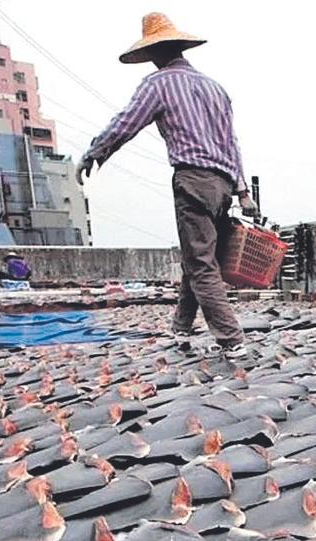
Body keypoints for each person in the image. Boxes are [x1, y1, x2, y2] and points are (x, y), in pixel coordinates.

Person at [76, 12, 252, 359]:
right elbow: (232, 143)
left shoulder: (158, 85)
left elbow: (126, 122)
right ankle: (181, 329)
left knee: (201, 263)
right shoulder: (216, 88)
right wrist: (243, 191)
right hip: (223, 185)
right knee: (197, 254)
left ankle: (232, 341)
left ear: (155, 52)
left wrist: (95, 152)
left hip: (193, 179)